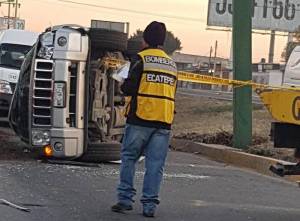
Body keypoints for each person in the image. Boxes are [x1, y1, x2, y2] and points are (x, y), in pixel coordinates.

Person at [111, 21, 177, 217]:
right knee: (155, 165)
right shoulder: (171, 64)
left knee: (129, 158)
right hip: (164, 119)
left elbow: (129, 89)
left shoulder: (140, 59)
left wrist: (121, 83)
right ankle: (149, 206)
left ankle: (124, 200)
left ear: (144, 40)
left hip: (141, 118)